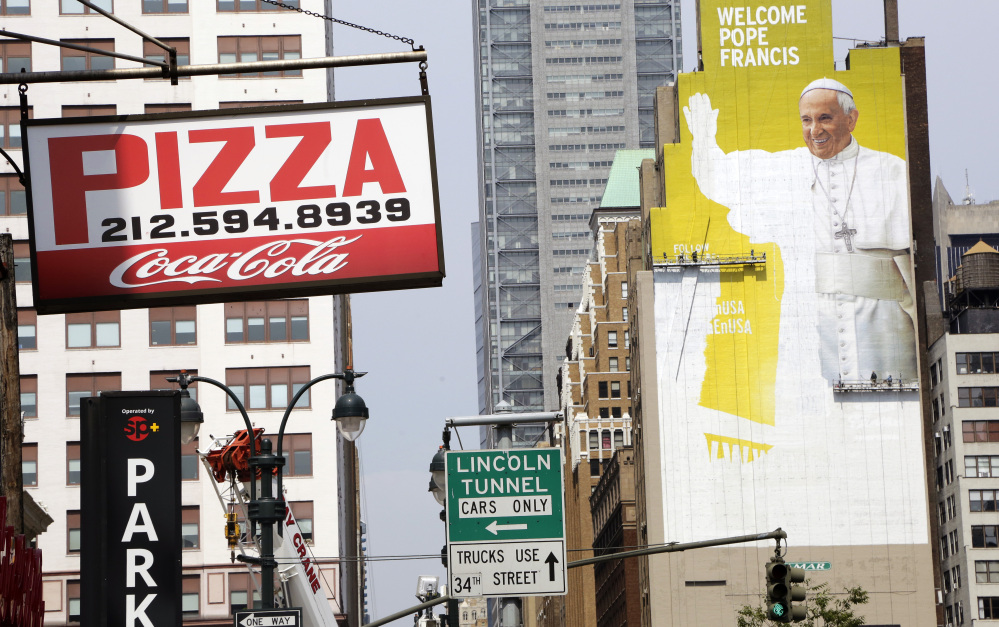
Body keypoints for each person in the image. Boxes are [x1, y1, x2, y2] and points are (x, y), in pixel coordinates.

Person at [682, 78, 917, 384]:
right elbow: (719, 179)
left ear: (851, 118)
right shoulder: (787, 168)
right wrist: (703, 138)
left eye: (825, 118)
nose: (814, 131)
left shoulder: (892, 171)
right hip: (813, 329)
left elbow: (915, 262)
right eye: (806, 120)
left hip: (883, 330)